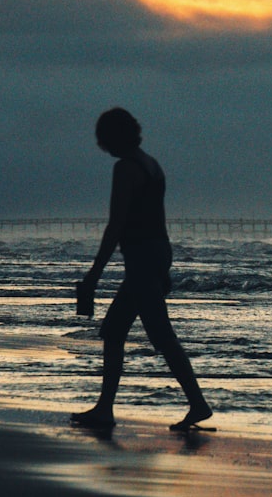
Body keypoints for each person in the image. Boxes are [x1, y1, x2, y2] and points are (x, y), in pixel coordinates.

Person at [70, 107, 212, 432]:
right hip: (157, 254)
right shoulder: (152, 165)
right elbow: (156, 221)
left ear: (112, 138)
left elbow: (116, 226)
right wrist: (164, 266)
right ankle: (105, 408)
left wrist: (93, 275)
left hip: (142, 259)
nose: (101, 146)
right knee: (115, 331)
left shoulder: (126, 169)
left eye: (103, 139)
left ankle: (198, 404)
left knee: (160, 335)